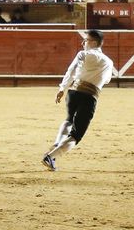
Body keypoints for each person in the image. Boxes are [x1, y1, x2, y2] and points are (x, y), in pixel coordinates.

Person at [42, 29, 115, 172]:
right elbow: (106, 80)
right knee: (76, 135)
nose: (83, 43)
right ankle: (51, 156)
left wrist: (62, 89)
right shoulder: (108, 61)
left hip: (73, 92)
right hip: (89, 95)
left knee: (69, 119)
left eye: (86, 40)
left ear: (93, 42)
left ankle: (58, 143)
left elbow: (71, 71)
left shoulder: (82, 55)